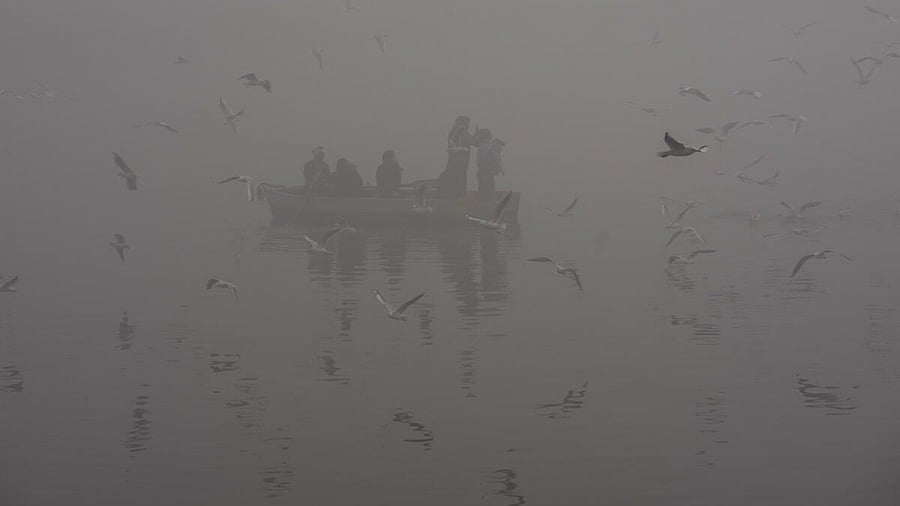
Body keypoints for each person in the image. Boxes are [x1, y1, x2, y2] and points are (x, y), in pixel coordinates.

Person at [436, 116, 474, 199]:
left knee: (456, 180)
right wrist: (480, 137)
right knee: (458, 182)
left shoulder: (455, 132)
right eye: (467, 124)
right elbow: (473, 141)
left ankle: (456, 197)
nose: (468, 126)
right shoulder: (459, 132)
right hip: (459, 164)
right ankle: (458, 199)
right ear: (462, 124)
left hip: (456, 163)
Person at [475, 128, 502, 199]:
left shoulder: (481, 148)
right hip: (487, 174)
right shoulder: (486, 148)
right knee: (489, 193)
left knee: (483, 192)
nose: (490, 139)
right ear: (486, 138)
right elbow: (492, 160)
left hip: (482, 173)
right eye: (489, 137)